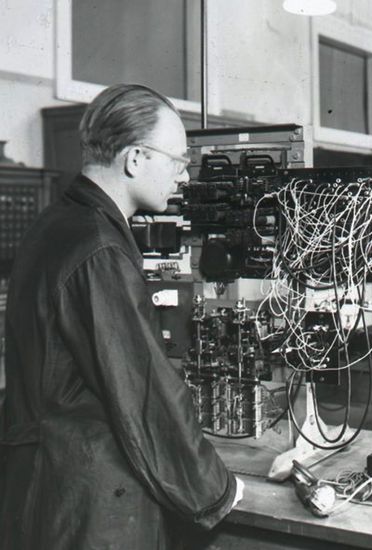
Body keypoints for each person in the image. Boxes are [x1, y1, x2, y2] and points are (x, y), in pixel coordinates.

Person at [0, 83, 243, 549]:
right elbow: (143, 393)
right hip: (87, 506)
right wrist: (219, 491)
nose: (185, 176)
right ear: (135, 158)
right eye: (178, 161)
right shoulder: (100, 248)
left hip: (40, 488)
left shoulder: (57, 224)